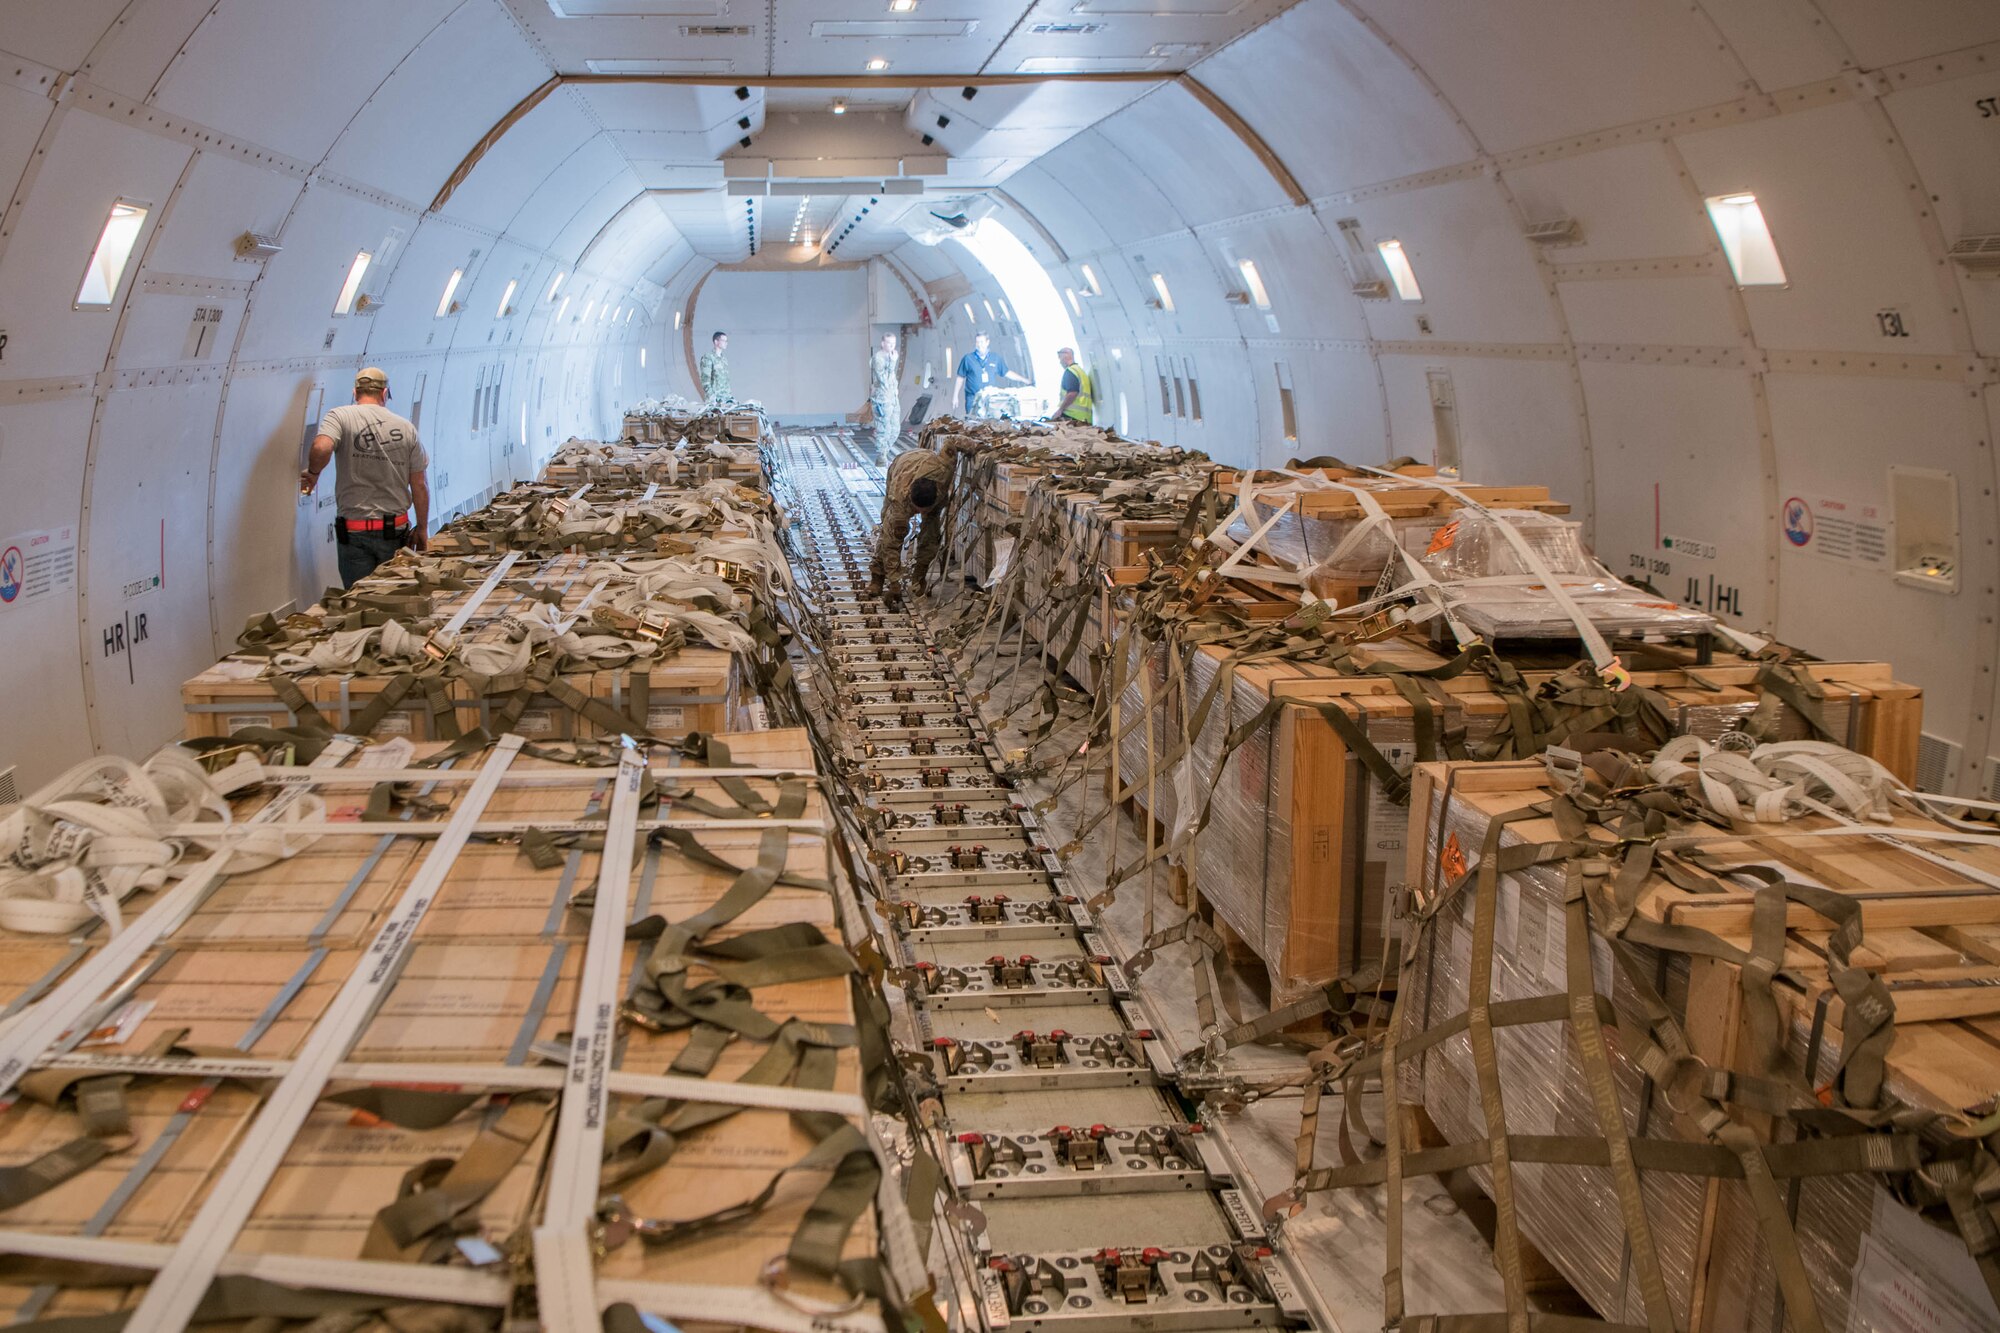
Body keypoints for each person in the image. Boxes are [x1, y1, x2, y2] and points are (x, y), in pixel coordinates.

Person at [300, 368, 429, 588]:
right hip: (394, 532)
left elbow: (322, 446)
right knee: (394, 599)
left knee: (360, 603)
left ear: (355, 392)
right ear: (384, 393)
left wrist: (313, 474)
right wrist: (422, 528)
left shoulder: (339, 416)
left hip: (353, 531)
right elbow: (419, 485)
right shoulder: (406, 428)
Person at [869, 435, 982, 607]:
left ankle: (918, 579)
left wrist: (977, 447)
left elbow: (952, 440)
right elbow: (891, 546)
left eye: (924, 511)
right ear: (911, 503)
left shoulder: (943, 470)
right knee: (889, 532)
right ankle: (877, 577)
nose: (920, 514)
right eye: (917, 511)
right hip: (901, 465)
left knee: (931, 538)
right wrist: (894, 584)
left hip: (926, 461)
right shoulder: (900, 502)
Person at [951, 332, 1026, 417]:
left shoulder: (995, 358)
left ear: (987, 342)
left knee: (989, 423)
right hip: (972, 398)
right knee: (973, 423)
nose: (979, 345)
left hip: (990, 399)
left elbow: (1007, 373)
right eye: (977, 342)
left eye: (982, 342)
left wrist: (1024, 380)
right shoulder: (968, 358)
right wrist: (955, 396)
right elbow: (960, 378)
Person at [868, 333, 901, 452]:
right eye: (889, 343)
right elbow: (883, 380)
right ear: (883, 344)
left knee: (895, 429)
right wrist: (892, 363)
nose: (892, 346)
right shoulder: (879, 358)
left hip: (892, 398)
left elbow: (892, 378)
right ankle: (881, 456)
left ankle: (884, 450)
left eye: (894, 343)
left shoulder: (891, 356)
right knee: (883, 430)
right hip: (882, 399)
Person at [1052, 347, 1094, 424]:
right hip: (1085, 418)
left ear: (1066, 356)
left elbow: (1072, 393)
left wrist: (1060, 410)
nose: (1060, 361)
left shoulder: (1070, 371)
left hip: (1072, 417)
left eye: (1060, 357)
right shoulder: (1080, 371)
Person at [698, 331, 730, 402]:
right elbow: (705, 380)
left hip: (725, 398)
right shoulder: (708, 357)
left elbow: (725, 380)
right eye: (723, 340)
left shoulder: (723, 359)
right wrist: (711, 396)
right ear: (716, 342)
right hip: (714, 399)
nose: (726, 343)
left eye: (726, 341)